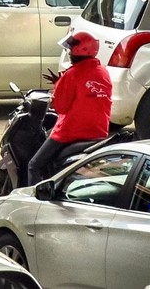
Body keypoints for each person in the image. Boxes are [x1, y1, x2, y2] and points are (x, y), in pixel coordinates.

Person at [27, 31, 111, 185]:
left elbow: (61, 108)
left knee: (34, 165)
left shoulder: (72, 75)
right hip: (99, 131)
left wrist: (59, 85)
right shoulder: (103, 72)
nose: (69, 52)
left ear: (78, 50)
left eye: (71, 49)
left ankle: (31, 202)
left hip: (71, 132)